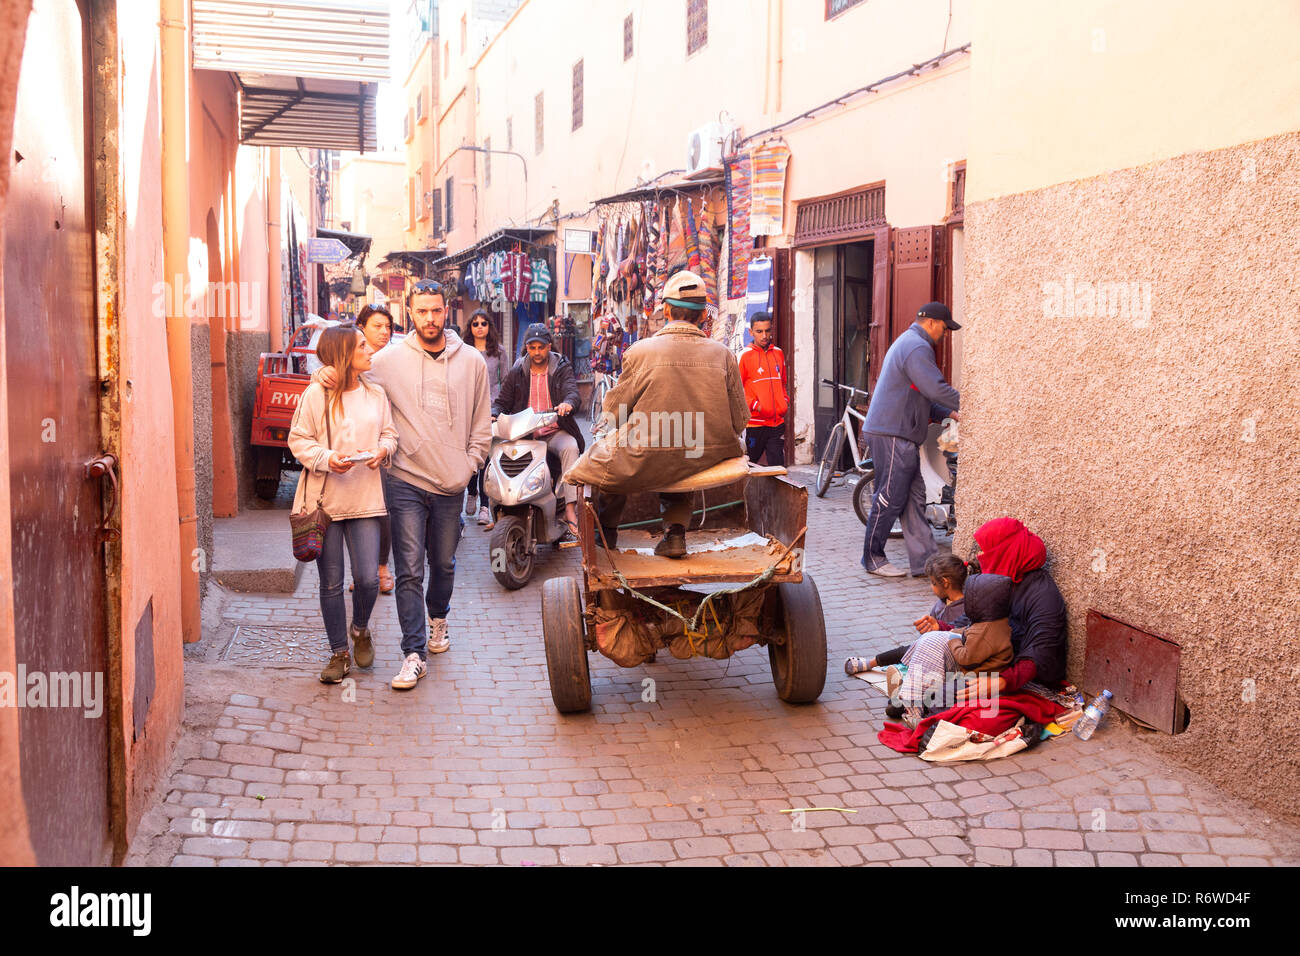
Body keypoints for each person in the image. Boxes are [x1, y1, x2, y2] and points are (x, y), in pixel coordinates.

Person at [315, 279, 492, 691]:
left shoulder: (472, 363)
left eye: (436, 310)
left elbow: (483, 426)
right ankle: (413, 654)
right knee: (409, 570)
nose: (430, 319)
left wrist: (468, 467)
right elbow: (348, 372)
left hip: (451, 483)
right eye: (421, 311)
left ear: (446, 311)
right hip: (405, 480)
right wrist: (326, 371)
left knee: (443, 565)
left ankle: (439, 621)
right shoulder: (389, 359)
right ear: (409, 313)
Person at [573, 270, 749, 558]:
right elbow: (741, 420)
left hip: (649, 454)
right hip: (704, 453)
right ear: (704, 314)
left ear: (666, 309)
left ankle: (605, 536)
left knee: (611, 457)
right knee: (685, 454)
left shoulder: (640, 352)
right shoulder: (724, 355)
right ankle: (675, 533)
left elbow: (614, 415)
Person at [287, 326, 398, 684]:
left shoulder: (376, 394)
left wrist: (384, 450)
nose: (370, 350)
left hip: (366, 497)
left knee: (367, 579)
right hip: (325, 501)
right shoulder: (316, 394)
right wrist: (326, 458)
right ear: (343, 355)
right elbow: (298, 440)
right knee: (331, 583)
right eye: (362, 346)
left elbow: (389, 433)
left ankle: (360, 627)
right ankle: (339, 653)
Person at [860, 301, 961, 578]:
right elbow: (935, 388)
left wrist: (951, 412)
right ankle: (873, 557)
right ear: (930, 323)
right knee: (890, 496)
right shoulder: (917, 347)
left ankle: (926, 563)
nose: (945, 333)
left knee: (913, 498)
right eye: (944, 327)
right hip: (892, 432)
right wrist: (969, 404)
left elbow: (922, 396)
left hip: (898, 431)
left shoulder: (911, 344)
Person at [492, 322, 585, 539]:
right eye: (532, 348)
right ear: (527, 348)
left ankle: (569, 508)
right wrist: (494, 413)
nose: (536, 352)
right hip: (526, 435)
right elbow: (502, 401)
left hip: (554, 431)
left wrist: (567, 404)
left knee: (571, 448)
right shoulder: (518, 371)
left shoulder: (561, 367)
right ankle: (501, 509)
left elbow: (573, 392)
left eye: (541, 347)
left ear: (548, 346)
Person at [356, 304, 397, 594]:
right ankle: (361, 571)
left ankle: (382, 567)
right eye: (377, 326)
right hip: (351, 444)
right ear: (361, 327)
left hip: (385, 443)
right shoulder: (349, 358)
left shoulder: (395, 359)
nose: (384, 332)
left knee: (382, 509)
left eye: (387, 327)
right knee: (354, 511)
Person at [461, 309, 506, 528]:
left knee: (487, 459)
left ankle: (485, 507)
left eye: (484, 323)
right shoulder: (463, 352)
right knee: (472, 455)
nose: (480, 327)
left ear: (489, 327)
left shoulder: (498, 351)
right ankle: (471, 492)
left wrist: (500, 409)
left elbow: (506, 380)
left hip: (492, 411)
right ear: (470, 327)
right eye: (475, 323)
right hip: (469, 409)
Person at [739, 311, 788, 466]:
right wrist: (756, 406)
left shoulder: (778, 353)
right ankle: (747, 491)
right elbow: (736, 390)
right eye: (759, 331)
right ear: (751, 332)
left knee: (778, 468)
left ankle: (776, 492)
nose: (764, 335)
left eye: (767, 331)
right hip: (755, 424)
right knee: (749, 465)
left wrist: (784, 401)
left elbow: (783, 383)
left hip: (777, 423)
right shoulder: (744, 356)